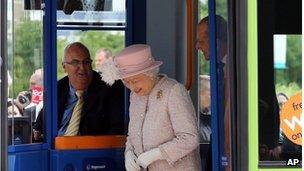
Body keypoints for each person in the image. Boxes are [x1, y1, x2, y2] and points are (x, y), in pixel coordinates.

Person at [100, 44, 201, 171]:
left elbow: (190, 138)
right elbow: (132, 134)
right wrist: (129, 153)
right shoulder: (135, 96)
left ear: (150, 73)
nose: (132, 87)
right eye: (126, 82)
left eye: (135, 80)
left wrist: (157, 154)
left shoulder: (173, 91)